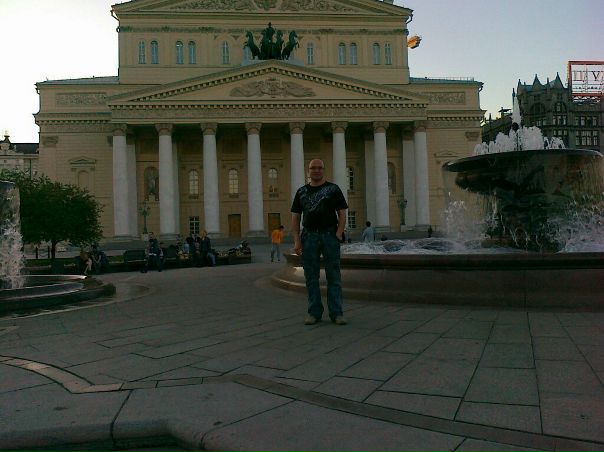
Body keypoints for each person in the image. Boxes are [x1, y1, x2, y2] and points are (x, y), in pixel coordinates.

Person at [291, 158, 348, 326]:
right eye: (313, 168)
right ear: (308, 171)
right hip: (309, 236)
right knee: (311, 276)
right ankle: (314, 312)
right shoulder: (301, 192)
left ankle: (336, 313)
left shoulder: (333, 189)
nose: (316, 170)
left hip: (329, 234)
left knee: (334, 275)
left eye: (319, 168)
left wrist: (338, 233)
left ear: (323, 170)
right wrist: (297, 240)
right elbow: (295, 217)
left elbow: (342, 213)